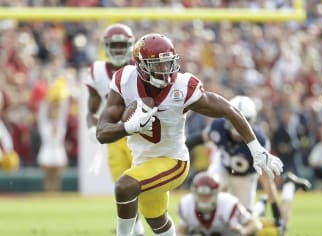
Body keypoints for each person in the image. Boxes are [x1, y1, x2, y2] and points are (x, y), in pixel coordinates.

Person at [96, 33, 283, 236]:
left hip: (173, 161)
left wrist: (256, 148)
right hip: (143, 163)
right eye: (157, 65)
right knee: (158, 223)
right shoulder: (125, 80)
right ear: (141, 66)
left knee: (125, 186)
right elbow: (102, 133)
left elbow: (227, 110)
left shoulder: (182, 87)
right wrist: (128, 127)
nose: (165, 70)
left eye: (168, 63)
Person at [186, 95, 311, 236]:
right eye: (233, 120)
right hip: (222, 166)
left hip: (246, 177)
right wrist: (181, 148)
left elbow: (266, 180)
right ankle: (196, 225)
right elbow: (200, 138)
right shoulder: (219, 127)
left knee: (245, 220)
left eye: (241, 120)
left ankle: (274, 196)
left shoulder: (260, 141)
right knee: (210, 188)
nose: (236, 127)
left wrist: (276, 212)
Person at [83, 23, 144, 236]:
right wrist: (92, 128)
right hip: (115, 137)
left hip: (140, 136)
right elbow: (91, 111)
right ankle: (137, 231)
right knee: (123, 189)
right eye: (114, 45)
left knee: (146, 190)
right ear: (106, 46)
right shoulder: (97, 71)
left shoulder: (142, 67)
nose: (118, 49)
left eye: (122, 44)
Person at [177, 172, 262, 236]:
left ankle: (262, 204)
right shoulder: (186, 205)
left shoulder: (229, 204)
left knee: (256, 215)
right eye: (200, 195)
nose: (203, 199)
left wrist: (244, 231)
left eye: (207, 195)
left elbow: (255, 224)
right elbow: (181, 230)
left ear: (216, 193)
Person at [37, 77, 69, 192]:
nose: (54, 112)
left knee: (56, 177)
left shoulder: (61, 123)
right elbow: (41, 112)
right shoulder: (44, 124)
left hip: (58, 152)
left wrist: (61, 97)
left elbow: (64, 110)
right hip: (46, 151)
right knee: (47, 177)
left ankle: (56, 196)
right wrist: (47, 98)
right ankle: (46, 195)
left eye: (56, 110)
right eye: (52, 110)